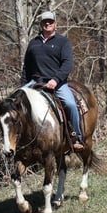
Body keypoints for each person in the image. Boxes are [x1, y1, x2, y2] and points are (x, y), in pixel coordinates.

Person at [20, 10, 84, 150]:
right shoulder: (33, 43)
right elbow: (27, 67)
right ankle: (18, 138)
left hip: (57, 83)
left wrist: (55, 80)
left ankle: (76, 136)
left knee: (70, 104)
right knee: (15, 102)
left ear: (55, 24)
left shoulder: (63, 42)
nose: (47, 24)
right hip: (35, 81)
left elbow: (67, 64)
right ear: (41, 24)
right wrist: (23, 86)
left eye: (50, 21)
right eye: (44, 21)